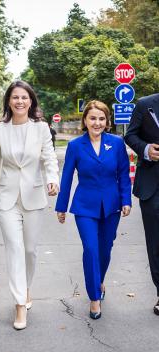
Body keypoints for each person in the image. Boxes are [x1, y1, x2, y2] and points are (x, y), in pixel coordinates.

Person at [0, 80, 59, 330]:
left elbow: (49, 157)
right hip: (6, 199)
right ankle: (19, 305)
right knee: (14, 249)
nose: (19, 101)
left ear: (31, 101)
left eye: (24, 97)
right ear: (8, 101)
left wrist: (52, 180)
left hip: (34, 196)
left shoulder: (41, 128)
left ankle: (26, 288)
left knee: (29, 250)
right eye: (15, 97)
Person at [56, 100, 131, 319]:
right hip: (85, 206)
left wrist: (126, 200)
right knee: (90, 248)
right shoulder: (75, 146)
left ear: (107, 122)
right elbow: (67, 177)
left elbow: (124, 175)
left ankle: (99, 281)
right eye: (92, 118)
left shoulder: (116, 144)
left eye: (101, 118)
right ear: (85, 121)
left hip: (111, 205)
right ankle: (94, 298)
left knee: (105, 250)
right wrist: (61, 206)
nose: (97, 123)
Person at [124, 93, 159, 316]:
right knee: (156, 243)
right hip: (153, 186)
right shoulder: (146, 105)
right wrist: (146, 150)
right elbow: (130, 136)